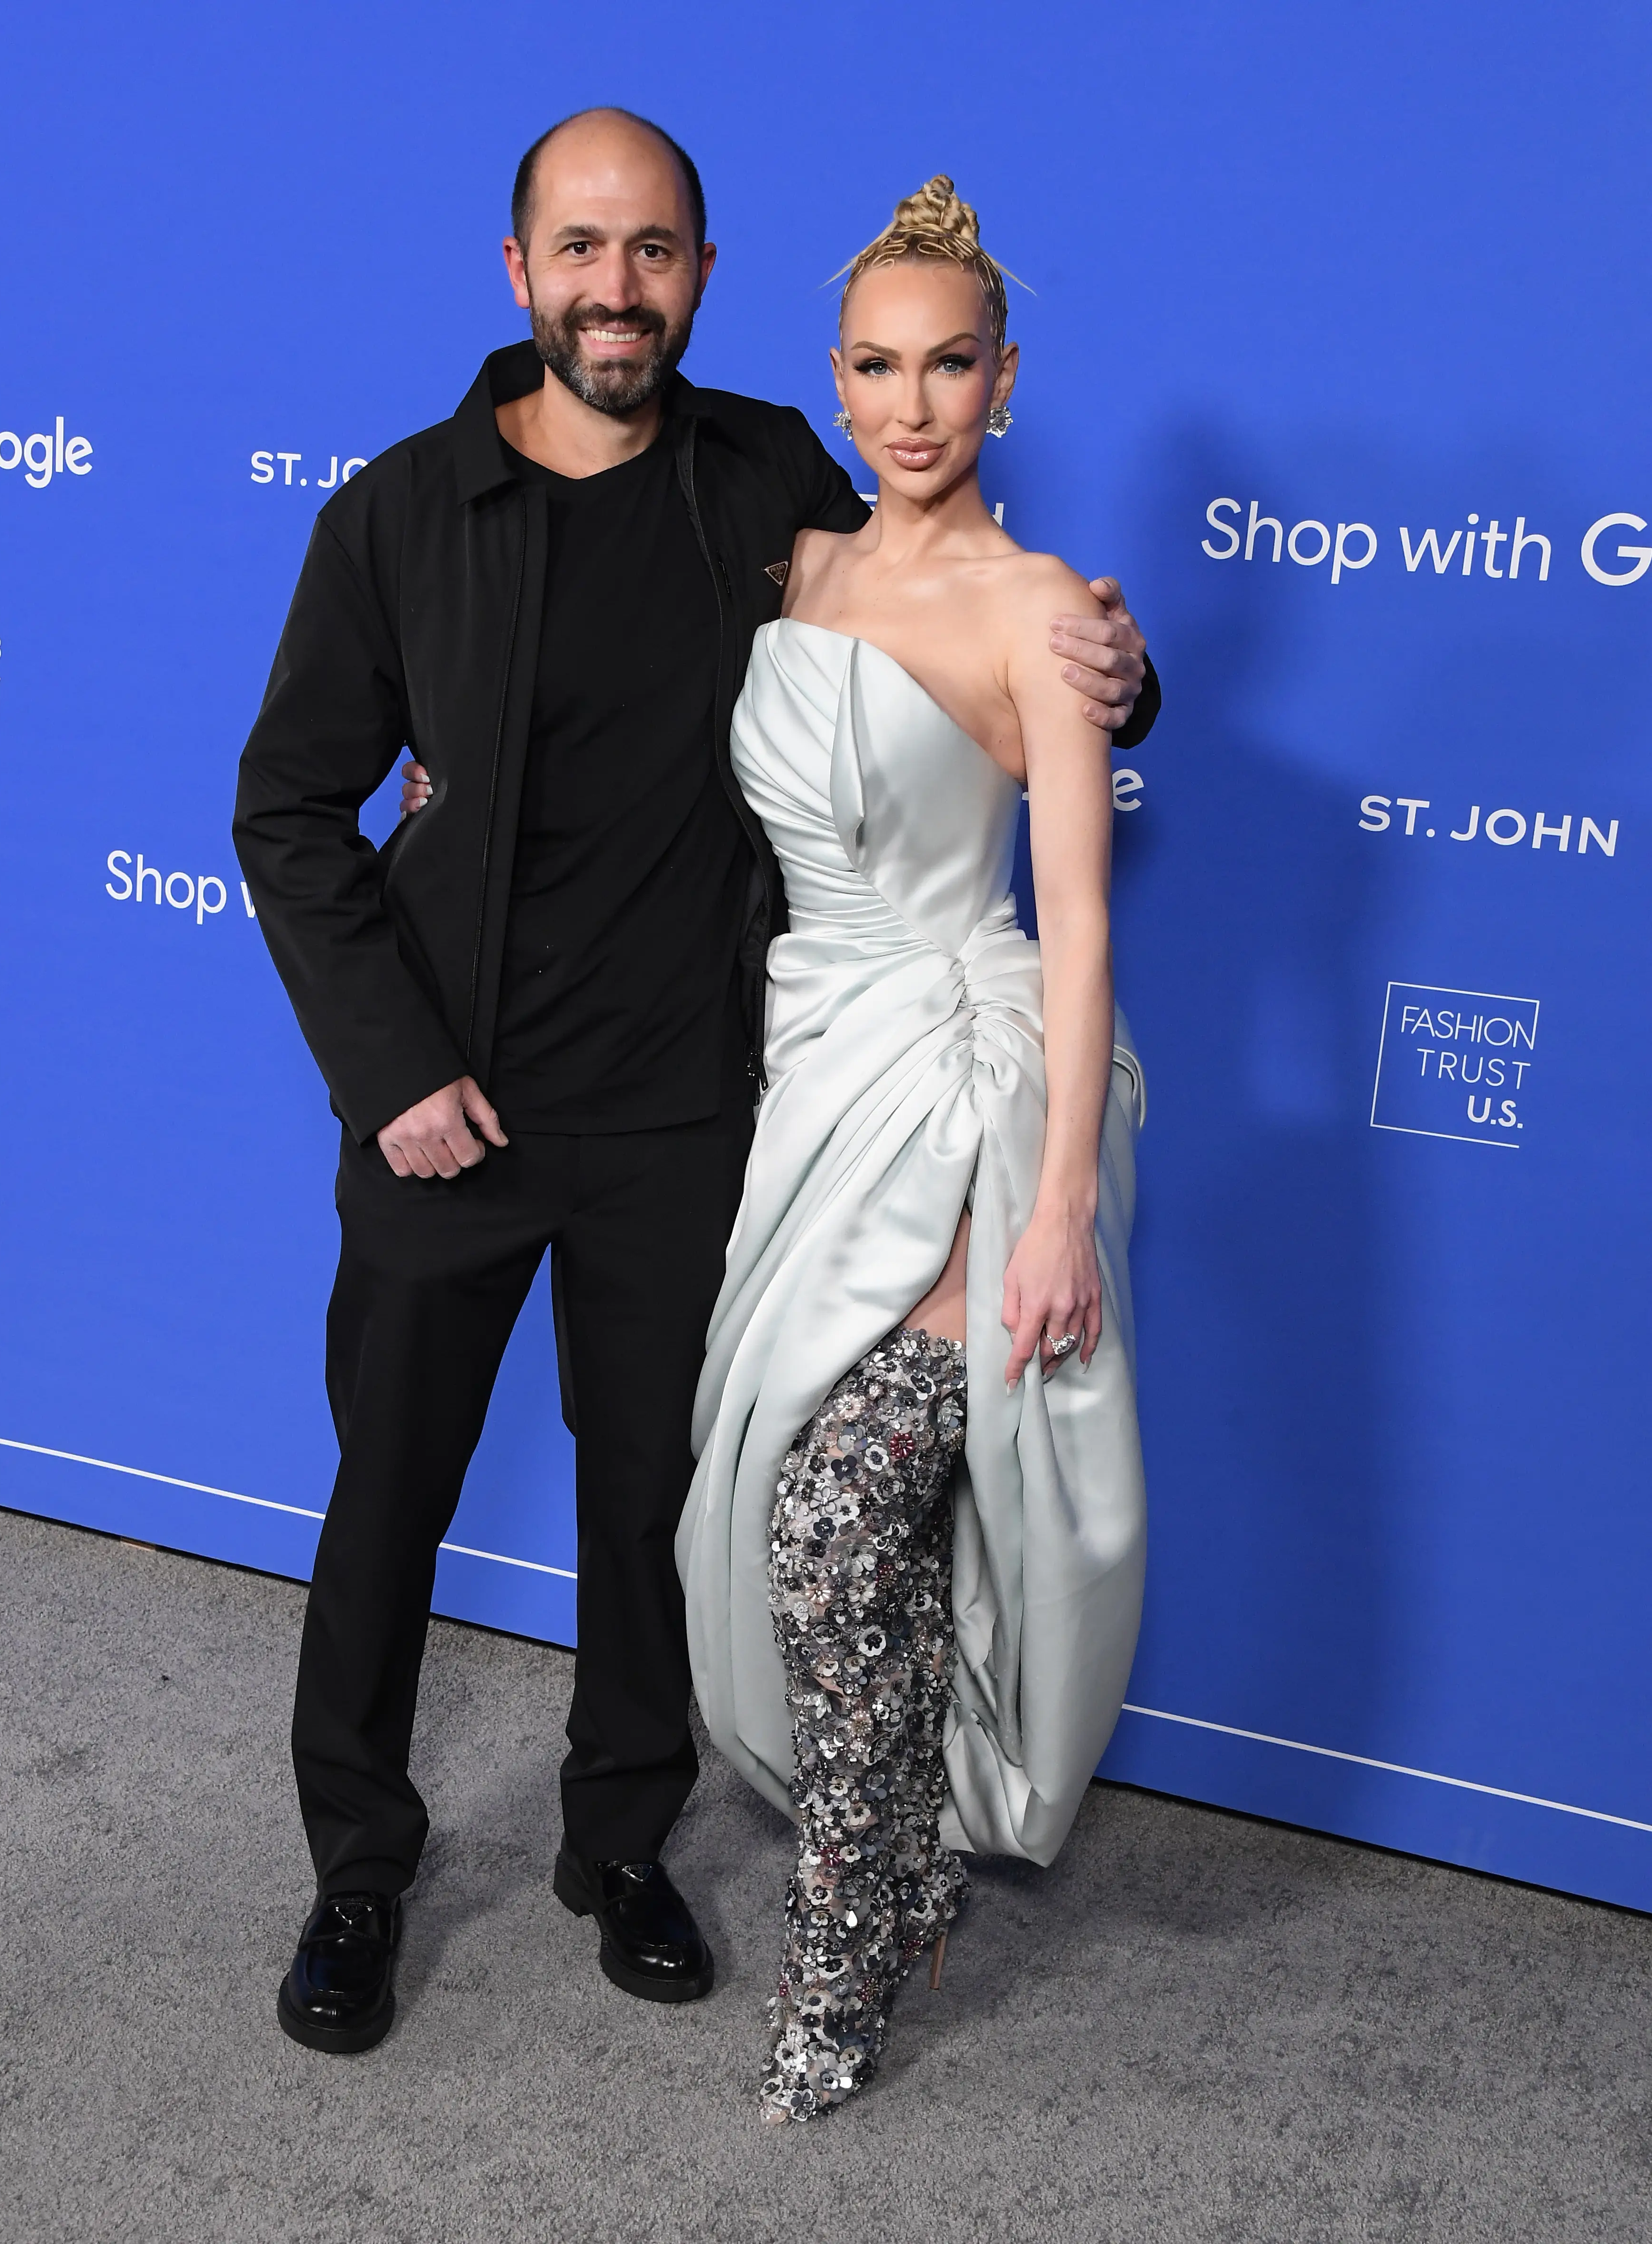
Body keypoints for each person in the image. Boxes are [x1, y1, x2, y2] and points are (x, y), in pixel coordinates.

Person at [236, 108, 1159, 2057]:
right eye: (580, 250)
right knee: (387, 1494)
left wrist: (1114, 674)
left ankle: (619, 1840)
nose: (616, 288)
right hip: (451, 1109)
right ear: (519, 271)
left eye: (652, 251)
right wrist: (393, 1072)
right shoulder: (397, 514)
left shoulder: (761, 475)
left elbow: (934, 614)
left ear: (702, 277)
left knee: (651, 1504)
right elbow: (287, 811)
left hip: (687, 1108)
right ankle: (359, 1865)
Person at [674, 178, 1148, 2123]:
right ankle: (898, 1862)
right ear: (836, 380)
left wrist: (1058, 1211)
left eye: (950, 366)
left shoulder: (1044, 611)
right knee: (790, 1513)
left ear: (1003, 382)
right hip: (814, 1082)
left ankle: (847, 1939)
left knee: (840, 1511)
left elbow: (1080, 920)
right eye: (877, 366)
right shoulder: (793, 568)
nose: (912, 403)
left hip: (965, 1089)